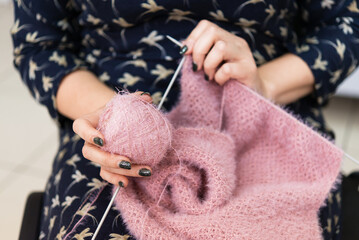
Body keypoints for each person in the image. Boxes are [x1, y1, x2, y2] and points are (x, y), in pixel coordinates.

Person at [12, 0, 359, 239]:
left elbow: (348, 24)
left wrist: (265, 83)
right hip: (108, 113)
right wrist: (119, 117)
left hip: (262, 100)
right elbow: (38, 45)